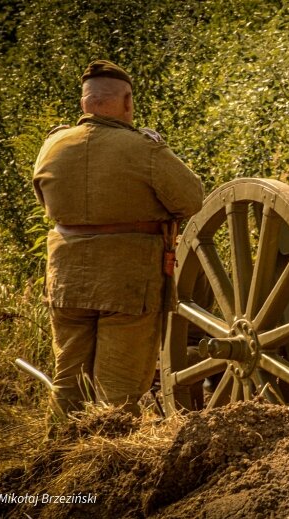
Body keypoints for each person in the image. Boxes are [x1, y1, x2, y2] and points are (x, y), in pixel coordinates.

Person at [33, 60, 204, 421]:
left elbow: (47, 202)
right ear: (127, 102)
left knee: (68, 380)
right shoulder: (142, 147)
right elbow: (191, 199)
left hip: (66, 279)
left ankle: (54, 460)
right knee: (119, 386)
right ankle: (107, 464)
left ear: (84, 103)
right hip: (126, 280)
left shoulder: (52, 146)